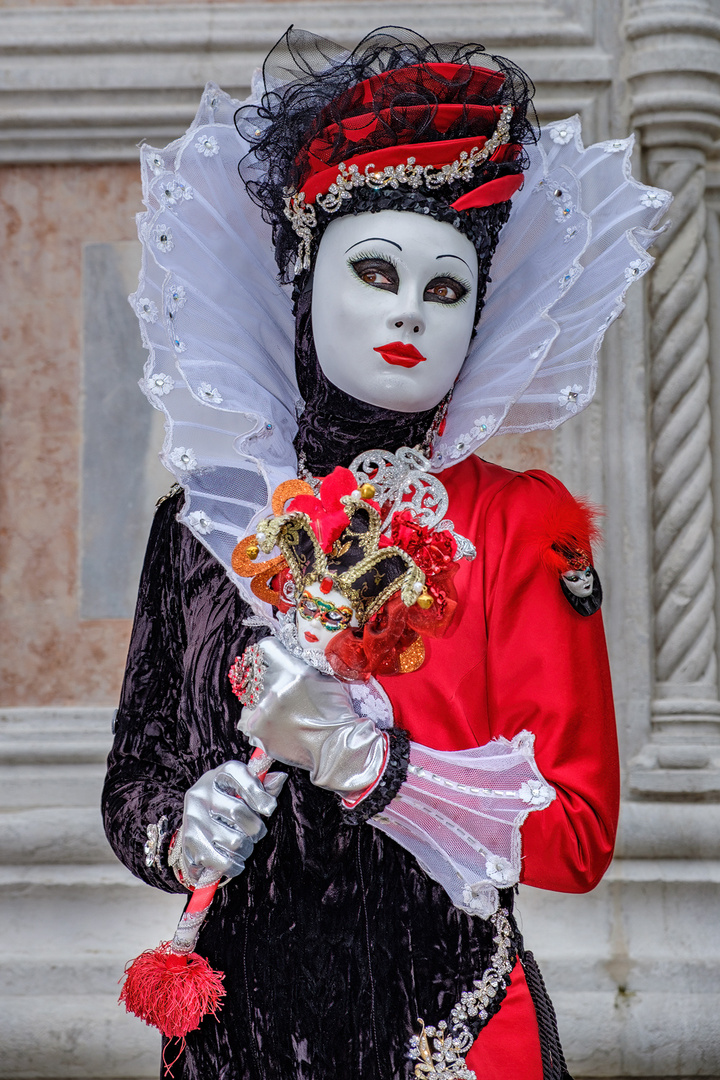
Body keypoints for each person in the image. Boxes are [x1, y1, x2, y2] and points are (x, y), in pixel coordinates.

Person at [102, 26, 669, 1080]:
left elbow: (580, 835)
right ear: (306, 282)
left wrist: (372, 764)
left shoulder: (517, 525)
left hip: (442, 1038)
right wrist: (182, 833)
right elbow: (135, 775)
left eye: (445, 290)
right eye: (375, 270)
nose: (409, 309)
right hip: (235, 1045)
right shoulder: (202, 520)